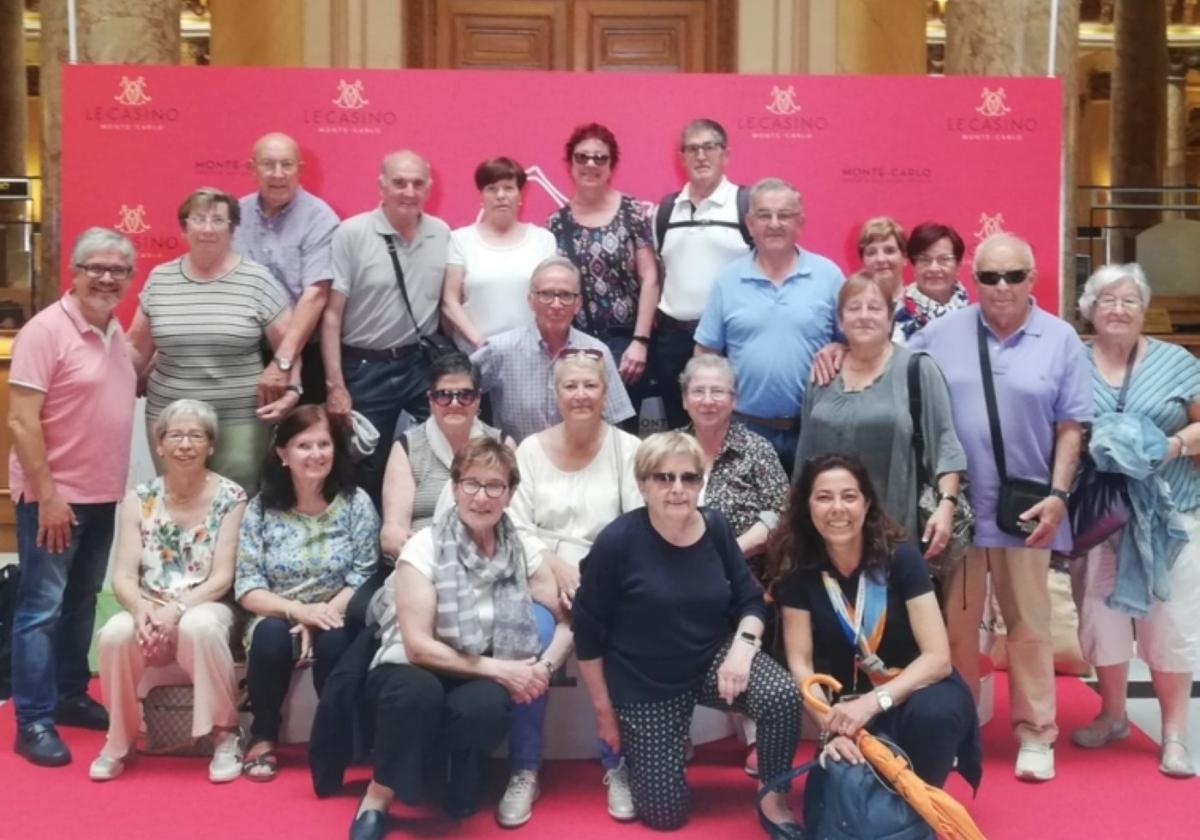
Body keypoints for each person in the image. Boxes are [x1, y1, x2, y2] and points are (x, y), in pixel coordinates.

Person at [908, 232, 1091, 782]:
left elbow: (1070, 428)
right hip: (958, 511)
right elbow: (891, 378)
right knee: (957, 632)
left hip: (1027, 512)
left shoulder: (1060, 340)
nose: (1002, 287)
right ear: (973, 280)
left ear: (1033, 278)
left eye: (1013, 275)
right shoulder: (936, 335)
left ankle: (1037, 733)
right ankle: (961, 730)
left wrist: (1059, 496)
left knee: (1030, 627)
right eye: (989, 276)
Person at [573, 431, 803, 832]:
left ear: (701, 482)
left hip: (711, 659)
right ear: (643, 484)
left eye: (688, 478)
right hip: (645, 680)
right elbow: (587, 631)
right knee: (665, 815)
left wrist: (741, 650)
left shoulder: (715, 526)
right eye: (663, 478)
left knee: (781, 695)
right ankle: (647, 755)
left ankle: (773, 794)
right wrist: (604, 712)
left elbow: (750, 602)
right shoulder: (617, 541)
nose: (677, 489)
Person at [351, 438, 571, 838]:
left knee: (487, 707)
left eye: (494, 486)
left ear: (510, 494)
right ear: (454, 488)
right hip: (412, 663)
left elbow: (568, 619)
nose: (481, 497)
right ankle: (378, 794)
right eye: (470, 483)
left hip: (477, 668)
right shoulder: (425, 546)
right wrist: (502, 669)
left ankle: (454, 761)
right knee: (417, 695)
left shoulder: (520, 548)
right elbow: (417, 645)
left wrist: (543, 667)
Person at [770, 454, 981, 790]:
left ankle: (918, 809)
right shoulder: (799, 569)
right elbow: (801, 664)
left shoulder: (900, 557)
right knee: (843, 796)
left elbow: (938, 659)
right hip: (845, 707)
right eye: (824, 497)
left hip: (914, 690)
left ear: (866, 505)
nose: (837, 508)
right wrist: (830, 725)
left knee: (936, 714)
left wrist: (875, 701)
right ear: (807, 507)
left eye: (849, 496)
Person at [7, 227, 138, 767]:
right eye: (96, 268)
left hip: (103, 495)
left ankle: (66, 696)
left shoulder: (114, 330)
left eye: (117, 271)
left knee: (81, 602)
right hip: (54, 498)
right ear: (75, 272)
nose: (106, 278)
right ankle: (32, 719)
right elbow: (20, 419)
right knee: (40, 610)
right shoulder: (45, 331)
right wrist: (47, 495)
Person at [1069, 263, 1200, 778]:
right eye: (1107, 301)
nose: (1118, 310)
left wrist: (1171, 446)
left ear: (1144, 309)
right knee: (1101, 620)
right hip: (1099, 515)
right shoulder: (1071, 361)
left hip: (1171, 515)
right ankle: (1113, 714)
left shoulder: (1178, 361)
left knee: (1169, 623)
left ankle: (1172, 734)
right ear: (1090, 310)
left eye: (1129, 301)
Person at [506, 352, 644, 819]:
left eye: (590, 385)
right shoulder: (528, 450)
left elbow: (634, 526)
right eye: (571, 386)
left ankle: (618, 762)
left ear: (605, 393)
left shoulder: (627, 448)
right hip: (540, 575)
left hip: (606, 575)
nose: (581, 395)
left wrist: (588, 576)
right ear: (556, 394)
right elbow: (516, 526)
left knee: (617, 634)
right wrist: (552, 566)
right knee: (530, 636)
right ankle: (524, 768)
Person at [89, 399, 247, 783]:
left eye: (196, 436)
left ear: (211, 445)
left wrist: (174, 609)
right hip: (151, 605)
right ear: (158, 445)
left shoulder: (232, 497)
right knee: (114, 633)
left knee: (200, 626)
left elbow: (222, 578)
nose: (185, 444)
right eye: (175, 435)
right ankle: (119, 738)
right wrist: (142, 610)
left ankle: (225, 734)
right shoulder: (138, 498)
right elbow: (123, 576)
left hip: (205, 602)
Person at [235, 405, 380, 780]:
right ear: (283, 454)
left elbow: (365, 574)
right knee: (269, 636)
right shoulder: (261, 508)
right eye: (303, 445)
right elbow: (248, 586)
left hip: (338, 612)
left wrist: (323, 615)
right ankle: (263, 736)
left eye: (324, 444)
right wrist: (299, 612)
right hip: (277, 612)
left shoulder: (356, 503)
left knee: (334, 642)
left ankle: (335, 740)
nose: (316, 454)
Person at [128, 187, 300, 494]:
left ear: (233, 228)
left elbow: (289, 347)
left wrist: (293, 390)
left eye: (218, 220)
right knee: (177, 502)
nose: (208, 228)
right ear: (184, 227)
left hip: (240, 421)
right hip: (171, 419)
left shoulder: (257, 279)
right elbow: (136, 352)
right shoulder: (160, 278)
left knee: (234, 504)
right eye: (199, 219)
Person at [798, 272, 965, 554]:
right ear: (840, 320)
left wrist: (947, 506)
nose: (864, 316)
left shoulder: (917, 369)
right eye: (854, 308)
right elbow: (804, 456)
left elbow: (946, 447)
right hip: (827, 531)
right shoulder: (823, 373)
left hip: (895, 527)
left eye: (874, 308)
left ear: (890, 319)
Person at [322, 150, 451, 505]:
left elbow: (449, 303)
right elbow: (331, 316)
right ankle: (377, 555)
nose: (409, 191)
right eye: (399, 183)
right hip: (365, 368)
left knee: (443, 451)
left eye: (417, 183)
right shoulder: (352, 233)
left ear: (429, 187)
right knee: (366, 467)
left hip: (419, 365)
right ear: (381, 186)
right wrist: (336, 385)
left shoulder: (441, 234)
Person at [694, 177, 845, 473]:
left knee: (812, 516)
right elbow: (705, 353)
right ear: (750, 224)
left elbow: (858, 346)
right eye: (764, 215)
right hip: (745, 428)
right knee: (749, 518)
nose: (774, 223)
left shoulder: (829, 276)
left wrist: (842, 345)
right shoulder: (728, 280)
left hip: (815, 429)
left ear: (800, 222)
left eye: (784, 215)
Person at [548, 123, 659, 420]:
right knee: (580, 428)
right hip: (577, 346)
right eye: (582, 157)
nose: (591, 164)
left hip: (627, 348)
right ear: (570, 164)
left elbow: (650, 278)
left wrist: (640, 342)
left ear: (612, 165)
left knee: (623, 435)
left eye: (600, 158)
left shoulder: (632, 213)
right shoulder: (557, 223)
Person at [652, 119, 752, 429]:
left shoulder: (745, 204)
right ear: (681, 158)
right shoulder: (666, 210)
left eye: (710, 147)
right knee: (679, 432)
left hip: (730, 341)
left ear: (726, 154)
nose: (701, 156)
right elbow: (661, 270)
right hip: (673, 340)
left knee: (730, 428)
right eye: (692, 149)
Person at [472, 256, 635, 442]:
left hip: (581, 463)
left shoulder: (597, 352)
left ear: (578, 304)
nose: (556, 304)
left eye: (566, 295)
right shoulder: (499, 350)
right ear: (531, 300)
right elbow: (456, 398)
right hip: (517, 465)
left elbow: (615, 423)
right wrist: (493, 441)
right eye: (546, 294)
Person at [234, 131, 341, 404]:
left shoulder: (319, 217)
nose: (278, 173)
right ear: (252, 168)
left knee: (302, 441)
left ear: (300, 169)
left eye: (287, 164)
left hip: (304, 350)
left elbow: (316, 294)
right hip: (242, 353)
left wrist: (283, 361)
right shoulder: (234, 214)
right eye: (268, 164)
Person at [379, 351, 511, 561]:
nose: (455, 403)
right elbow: (392, 531)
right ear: (430, 400)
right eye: (444, 395)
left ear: (478, 399)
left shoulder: (501, 445)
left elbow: (516, 518)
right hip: (425, 561)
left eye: (465, 395)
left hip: (489, 561)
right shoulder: (407, 447)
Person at [440, 157, 557, 352]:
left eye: (509, 188)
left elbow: (552, 296)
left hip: (532, 350)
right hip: (476, 352)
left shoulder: (543, 240)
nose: (500, 195)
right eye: (492, 189)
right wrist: (479, 342)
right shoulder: (460, 240)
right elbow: (450, 301)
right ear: (481, 196)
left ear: (520, 196)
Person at [897, 222, 970, 342]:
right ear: (912, 266)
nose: (934, 268)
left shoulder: (977, 318)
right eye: (925, 260)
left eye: (944, 259)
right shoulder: (895, 317)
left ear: (958, 265)